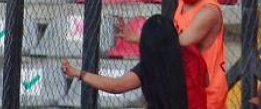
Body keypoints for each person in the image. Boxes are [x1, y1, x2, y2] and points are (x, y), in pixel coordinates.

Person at [121, 0, 227, 108]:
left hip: (208, 93)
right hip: (187, 87)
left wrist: (138, 38)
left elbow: (176, 43)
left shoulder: (208, 13)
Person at [62, 14, 207, 109]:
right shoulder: (193, 54)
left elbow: (115, 86)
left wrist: (78, 73)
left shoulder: (149, 67)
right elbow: (206, 81)